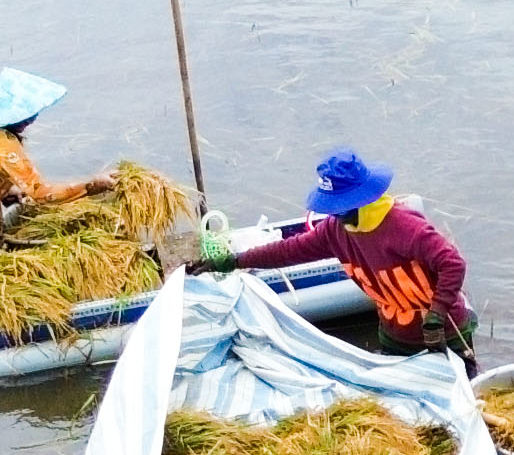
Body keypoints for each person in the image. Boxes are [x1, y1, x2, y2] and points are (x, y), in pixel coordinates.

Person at [187, 148, 478, 376]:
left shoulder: (404, 227)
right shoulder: (336, 231)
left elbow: (452, 263)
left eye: (339, 207)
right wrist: (231, 261)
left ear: (360, 199)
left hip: (443, 332)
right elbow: (287, 251)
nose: (334, 214)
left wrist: (437, 314)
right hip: (395, 334)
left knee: (467, 401)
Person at [0, 67, 116, 266]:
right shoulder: (3, 142)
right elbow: (42, 194)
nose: (32, 119)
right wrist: (93, 185)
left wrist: (6, 190)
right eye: (26, 114)